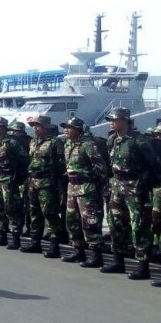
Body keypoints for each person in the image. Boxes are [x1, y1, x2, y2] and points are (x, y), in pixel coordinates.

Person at [101, 107, 159, 280]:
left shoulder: (139, 141)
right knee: (116, 224)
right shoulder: (112, 140)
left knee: (139, 226)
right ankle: (119, 260)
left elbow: (153, 166)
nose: (111, 122)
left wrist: (142, 185)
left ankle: (143, 266)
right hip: (117, 186)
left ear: (125, 120)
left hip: (135, 187)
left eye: (114, 119)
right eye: (110, 119)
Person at [60, 117, 107, 268]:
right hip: (72, 187)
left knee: (90, 222)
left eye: (69, 127)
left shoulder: (88, 145)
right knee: (72, 221)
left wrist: (94, 184)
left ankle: (95, 255)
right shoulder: (68, 144)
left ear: (78, 129)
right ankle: (78, 250)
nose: (66, 130)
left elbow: (101, 169)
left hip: (87, 188)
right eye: (65, 127)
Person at [20, 115, 65, 258]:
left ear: (45, 127)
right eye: (33, 125)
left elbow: (61, 163)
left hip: (47, 183)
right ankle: (35, 242)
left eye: (37, 125)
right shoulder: (33, 142)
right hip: (33, 182)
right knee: (35, 213)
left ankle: (54, 244)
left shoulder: (55, 142)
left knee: (50, 214)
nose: (34, 128)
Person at [0, 117, 28, 249]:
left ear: (4, 128)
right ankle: (1, 236)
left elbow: (24, 160)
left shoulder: (12, 142)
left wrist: (19, 177)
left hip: (9, 178)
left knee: (12, 208)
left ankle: (16, 238)